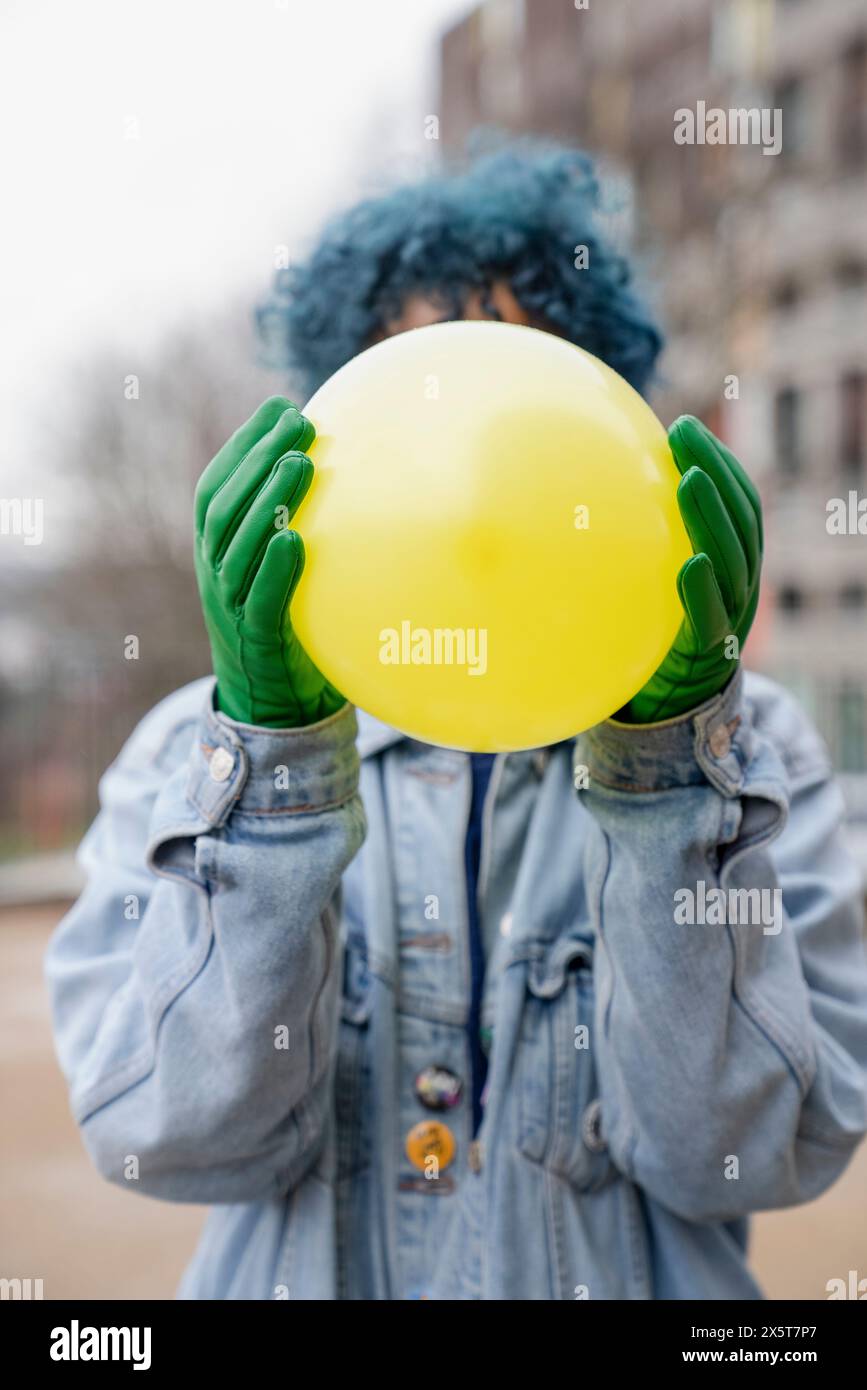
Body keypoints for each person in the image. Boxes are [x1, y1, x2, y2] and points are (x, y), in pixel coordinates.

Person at [46, 144, 867, 1300]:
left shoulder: (754, 746)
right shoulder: (195, 755)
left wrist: (678, 770)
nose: (477, 470)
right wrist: (273, 767)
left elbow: (745, 1153)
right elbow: (170, 1138)